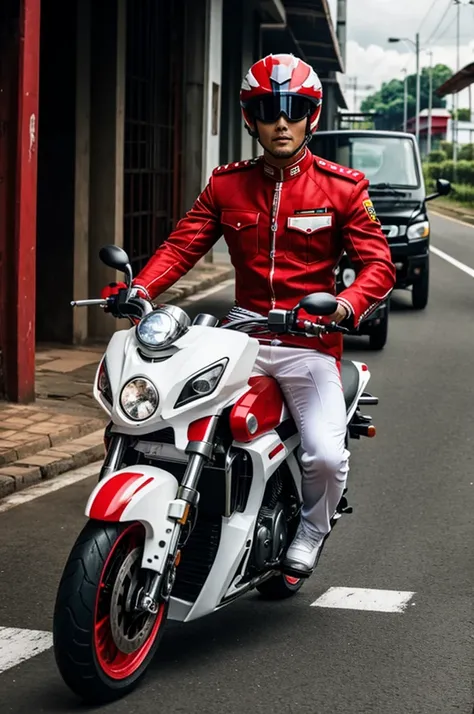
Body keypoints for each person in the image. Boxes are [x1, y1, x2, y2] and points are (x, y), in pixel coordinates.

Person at [102, 54, 396, 577]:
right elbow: (181, 246)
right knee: (166, 416)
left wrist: (346, 306)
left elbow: (378, 265)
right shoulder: (227, 184)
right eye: (267, 110)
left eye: (293, 109)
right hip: (238, 338)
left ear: (312, 115)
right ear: (249, 118)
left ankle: (310, 528)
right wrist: (139, 288)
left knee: (325, 457)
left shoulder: (343, 187)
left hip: (309, 346)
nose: (281, 122)